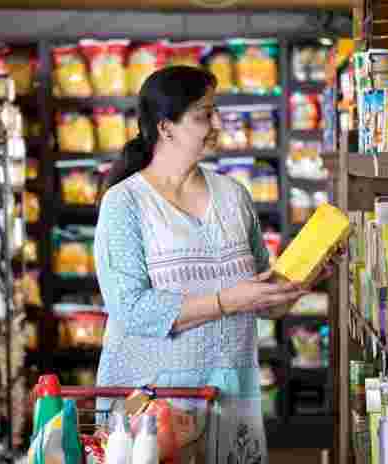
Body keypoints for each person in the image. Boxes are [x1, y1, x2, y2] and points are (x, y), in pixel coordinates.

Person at [94, 65, 327, 463]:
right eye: (204, 115)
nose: (218, 123)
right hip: (151, 406)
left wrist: (303, 281)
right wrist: (227, 300)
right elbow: (131, 310)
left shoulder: (234, 196)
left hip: (229, 397)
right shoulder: (125, 203)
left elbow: (263, 303)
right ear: (166, 128)